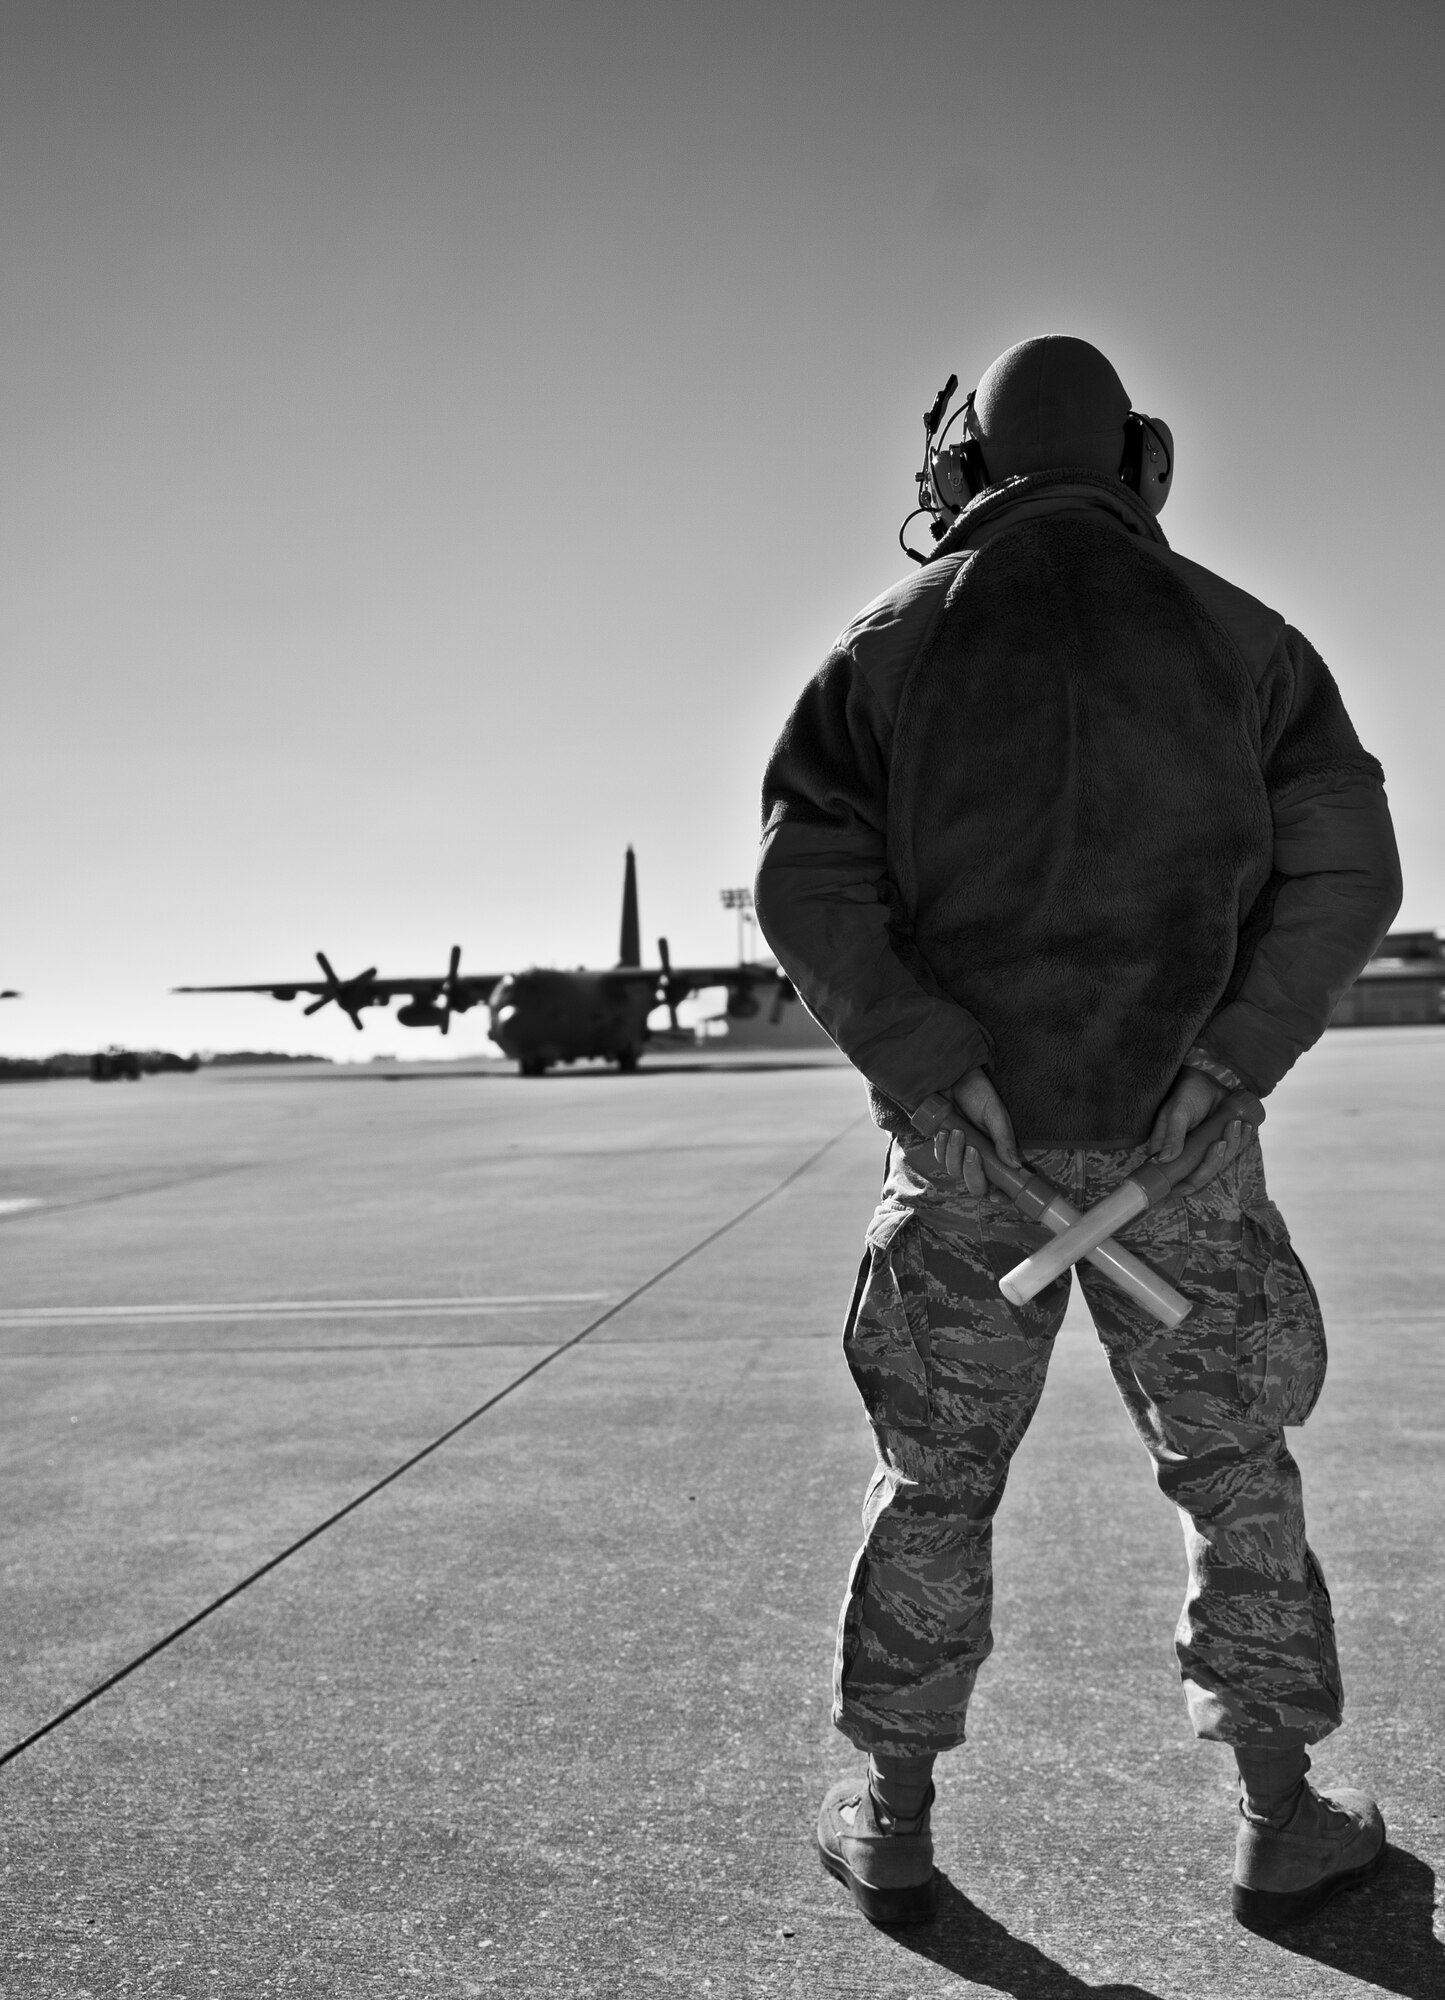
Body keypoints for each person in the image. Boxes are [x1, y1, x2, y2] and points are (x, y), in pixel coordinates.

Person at [753, 335, 1402, 1932]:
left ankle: (894, 1822)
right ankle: (1279, 1820)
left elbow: (805, 881)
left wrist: (925, 1068)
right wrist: (1228, 1065)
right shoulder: (1248, 644)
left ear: (962, 471)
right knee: (1233, 1467)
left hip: (968, 1165)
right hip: (1177, 1157)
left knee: (931, 1485)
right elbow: (1347, 870)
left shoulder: (881, 650)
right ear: (1141, 461)